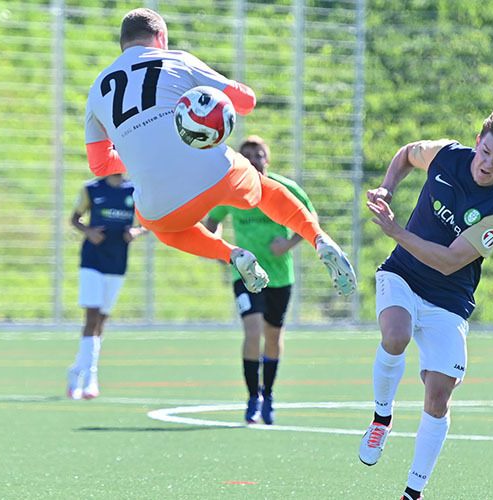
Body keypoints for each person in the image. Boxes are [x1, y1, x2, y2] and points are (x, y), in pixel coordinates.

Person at [84, 7, 354, 299]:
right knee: (264, 191)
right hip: (214, 170)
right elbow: (246, 102)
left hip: (158, 203)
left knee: (165, 229)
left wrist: (140, 152)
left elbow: (99, 165)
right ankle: (319, 239)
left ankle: (232, 254)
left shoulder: (98, 89)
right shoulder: (177, 59)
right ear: (160, 37)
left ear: (123, 43)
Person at [361, 104, 493, 500]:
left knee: (439, 394)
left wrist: (395, 230)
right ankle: (381, 417)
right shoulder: (446, 154)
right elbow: (406, 154)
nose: (487, 164)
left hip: (449, 298)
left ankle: (413, 491)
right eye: (485, 152)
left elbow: (451, 261)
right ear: (478, 141)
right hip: (402, 275)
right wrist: (389, 187)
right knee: (395, 336)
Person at [202, 136, 310, 425]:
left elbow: (310, 220)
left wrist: (287, 245)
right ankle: (253, 397)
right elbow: (211, 221)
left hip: (279, 276)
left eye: (258, 154)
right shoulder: (231, 191)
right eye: (246, 154)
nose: (252, 159)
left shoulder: (284, 188)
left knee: (273, 337)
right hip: (245, 275)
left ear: (267, 159)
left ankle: (268, 394)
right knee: (253, 332)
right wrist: (220, 249)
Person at [65, 173, 144, 400]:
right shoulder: (92, 188)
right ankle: (91, 379)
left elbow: (149, 222)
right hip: (92, 260)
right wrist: (88, 231)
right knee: (92, 317)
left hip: (117, 261)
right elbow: (75, 219)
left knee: (102, 320)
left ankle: (75, 371)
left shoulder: (134, 190)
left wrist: (136, 232)